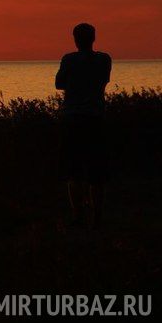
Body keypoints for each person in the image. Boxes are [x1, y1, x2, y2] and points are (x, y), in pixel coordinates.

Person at [55, 23, 112, 228]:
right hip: (96, 119)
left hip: (73, 119)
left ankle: (78, 216)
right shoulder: (104, 60)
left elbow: (59, 83)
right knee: (97, 172)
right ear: (93, 38)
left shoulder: (68, 60)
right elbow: (104, 80)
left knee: (74, 171)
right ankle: (97, 217)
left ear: (75, 39)